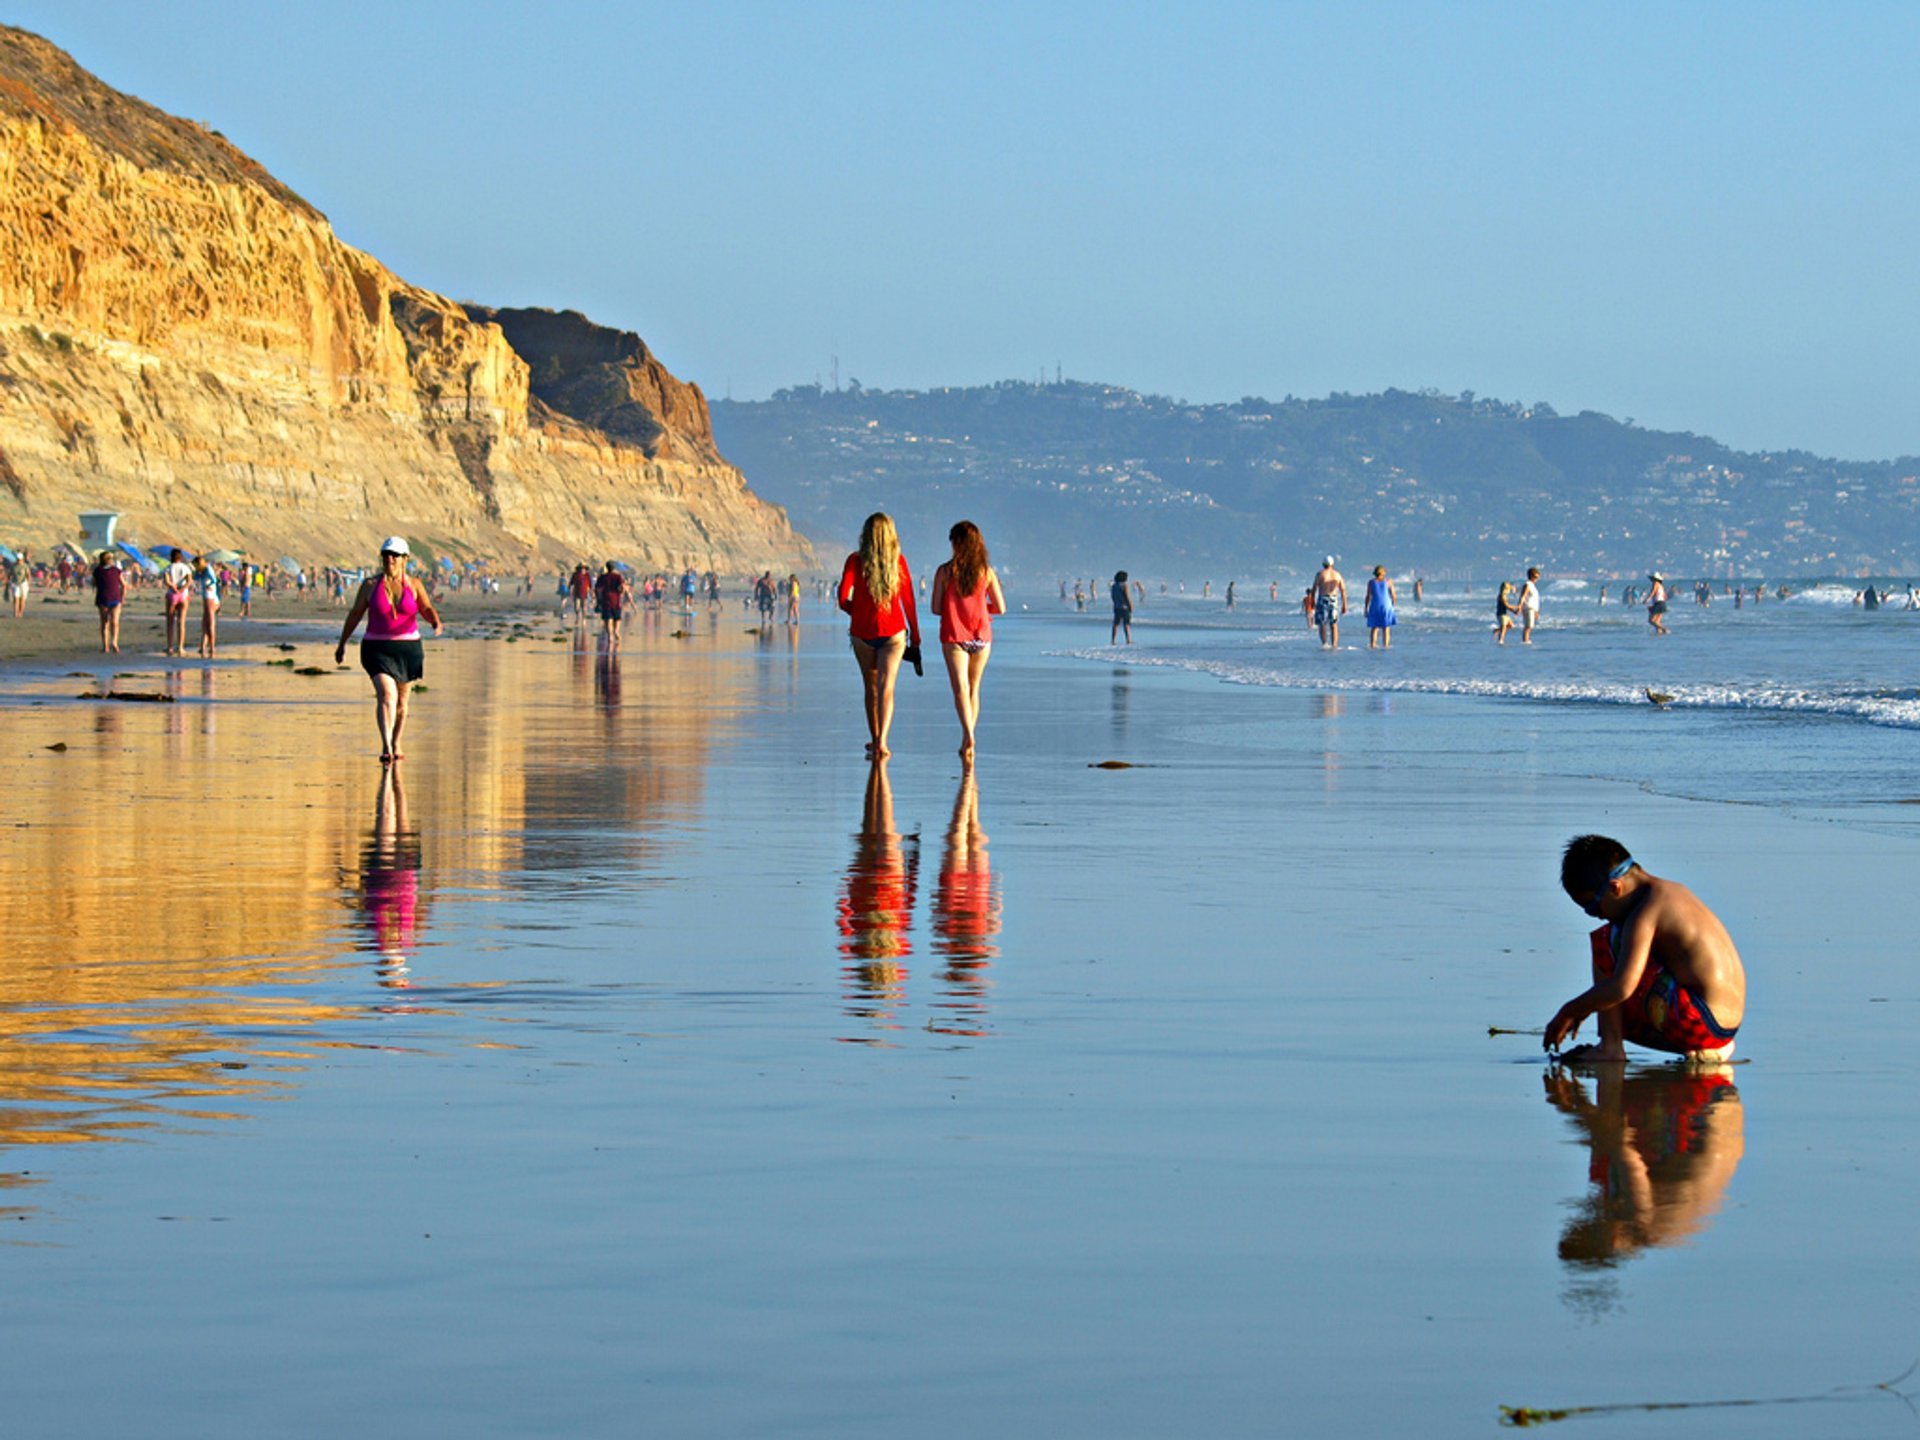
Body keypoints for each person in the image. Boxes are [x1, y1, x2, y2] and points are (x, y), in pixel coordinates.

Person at [1545, 835, 1746, 1064]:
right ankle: (1708, 1047)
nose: (1597, 915)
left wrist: (1569, 1010)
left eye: (1592, 908)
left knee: (1607, 941)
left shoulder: (1644, 914)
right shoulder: (1670, 891)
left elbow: (1621, 988)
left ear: (1615, 887)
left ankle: (1610, 1048)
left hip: (1700, 1022)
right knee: (1609, 987)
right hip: (1722, 1027)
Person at [334, 536, 443, 765]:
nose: (389, 559)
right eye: (386, 555)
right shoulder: (370, 586)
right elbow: (355, 614)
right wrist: (342, 643)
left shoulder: (414, 585)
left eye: (394, 555)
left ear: (405, 559)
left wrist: (435, 621)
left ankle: (396, 742)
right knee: (387, 694)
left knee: (403, 701)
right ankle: (385, 745)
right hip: (377, 648)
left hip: (408, 649)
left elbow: (426, 607)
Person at [837, 512, 920, 759]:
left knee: (870, 688)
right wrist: (915, 637)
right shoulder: (899, 562)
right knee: (887, 687)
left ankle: (874, 740)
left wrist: (858, 612)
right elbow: (909, 603)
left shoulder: (854, 560)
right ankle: (883, 741)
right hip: (894, 633)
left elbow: (842, 599)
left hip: (862, 633)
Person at [930, 520, 1006, 764]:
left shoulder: (944, 572)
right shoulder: (987, 572)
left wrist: (955, 607)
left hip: (954, 635)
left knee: (960, 688)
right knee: (974, 688)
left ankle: (968, 734)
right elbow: (1001, 608)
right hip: (982, 636)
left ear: (954, 543)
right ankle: (969, 738)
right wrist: (981, 608)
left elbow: (935, 608)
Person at [91, 550, 124, 653]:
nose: (109, 560)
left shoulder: (116, 570)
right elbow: (94, 583)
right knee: (105, 622)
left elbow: (123, 584)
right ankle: (105, 646)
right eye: (108, 558)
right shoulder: (98, 571)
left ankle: (114, 642)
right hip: (103, 599)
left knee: (114, 622)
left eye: (110, 558)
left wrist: (122, 597)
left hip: (115, 598)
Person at [161, 548, 192, 655]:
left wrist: (173, 587)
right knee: (181, 622)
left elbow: (167, 581)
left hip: (172, 593)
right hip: (183, 594)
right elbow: (189, 580)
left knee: (170, 622)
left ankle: (170, 646)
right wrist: (183, 588)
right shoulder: (185, 567)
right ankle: (180, 647)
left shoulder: (168, 568)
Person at [1310, 556, 1347, 649]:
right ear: (1332, 564)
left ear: (1323, 564)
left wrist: (1312, 601)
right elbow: (1343, 590)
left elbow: (1314, 588)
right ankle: (1334, 644)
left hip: (1323, 598)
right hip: (1334, 599)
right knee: (1333, 623)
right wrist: (1344, 604)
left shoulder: (1320, 574)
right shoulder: (1337, 575)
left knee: (1322, 623)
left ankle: (1325, 643)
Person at [594, 561, 631, 650]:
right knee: (617, 618)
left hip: (606, 600)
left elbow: (597, 589)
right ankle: (616, 631)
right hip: (616, 601)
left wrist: (598, 599)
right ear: (614, 568)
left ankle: (610, 635)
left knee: (608, 619)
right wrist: (621, 592)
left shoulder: (602, 577)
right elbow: (622, 587)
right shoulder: (618, 576)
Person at [192, 554, 220, 657]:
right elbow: (195, 577)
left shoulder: (208, 569)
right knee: (204, 623)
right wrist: (196, 571)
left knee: (210, 623)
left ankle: (212, 647)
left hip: (211, 597)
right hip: (206, 597)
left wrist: (208, 585)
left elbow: (214, 580)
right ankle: (203, 646)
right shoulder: (202, 571)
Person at [1364, 565, 1397, 649]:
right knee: (1386, 627)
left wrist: (1365, 608)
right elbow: (1393, 595)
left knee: (1374, 627)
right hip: (1386, 605)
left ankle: (1373, 645)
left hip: (1375, 605)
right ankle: (1385, 645)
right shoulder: (1388, 581)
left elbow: (1368, 596)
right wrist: (1393, 605)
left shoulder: (1371, 582)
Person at [1110, 570, 1133, 644]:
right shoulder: (1124, 586)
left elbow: (1112, 597)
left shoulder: (1114, 586)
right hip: (1124, 607)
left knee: (1116, 624)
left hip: (1117, 607)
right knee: (1126, 624)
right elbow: (1127, 597)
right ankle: (1128, 639)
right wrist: (1130, 605)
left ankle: (1113, 640)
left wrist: (1115, 603)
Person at [4, 548, 27, 619]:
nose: (19, 560)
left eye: (20, 559)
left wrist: (28, 584)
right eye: (18, 559)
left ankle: (21, 613)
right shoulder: (13, 566)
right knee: (16, 598)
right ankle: (15, 612)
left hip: (23, 583)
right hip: (15, 583)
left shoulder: (25, 566)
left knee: (22, 599)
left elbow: (28, 575)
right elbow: (9, 575)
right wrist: (7, 584)